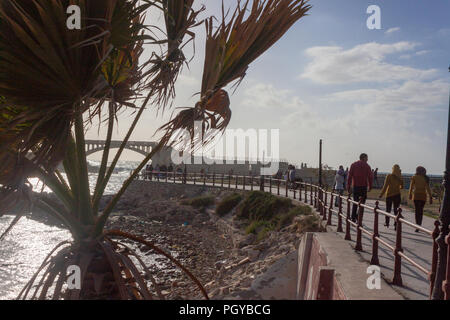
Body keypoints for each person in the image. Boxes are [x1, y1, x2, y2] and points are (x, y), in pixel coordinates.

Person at [347, 153, 373, 222]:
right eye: (367, 158)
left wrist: (348, 186)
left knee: (355, 202)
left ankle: (353, 217)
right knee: (362, 204)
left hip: (356, 186)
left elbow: (349, 177)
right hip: (363, 187)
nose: (367, 159)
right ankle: (359, 217)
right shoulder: (367, 166)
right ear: (363, 158)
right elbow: (370, 177)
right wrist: (370, 186)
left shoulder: (353, 165)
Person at [379, 164, 403, 229]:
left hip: (389, 195)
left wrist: (381, 194)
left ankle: (387, 222)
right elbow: (402, 187)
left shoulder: (389, 176)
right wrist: (400, 175)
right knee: (396, 211)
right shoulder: (400, 177)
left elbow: (385, 186)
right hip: (397, 195)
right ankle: (396, 224)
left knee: (388, 209)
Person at [409, 166, 432, 232]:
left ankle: (417, 226)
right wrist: (430, 197)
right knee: (420, 211)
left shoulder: (414, 177)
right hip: (423, 196)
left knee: (417, 211)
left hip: (416, 196)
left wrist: (410, 194)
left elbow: (411, 187)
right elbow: (428, 188)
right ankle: (419, 225)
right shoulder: (425, 178)